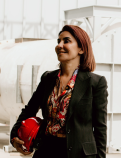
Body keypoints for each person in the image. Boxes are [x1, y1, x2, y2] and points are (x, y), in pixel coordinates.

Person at [10, 25, 108, 158]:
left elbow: (100, 128)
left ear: (81, 48)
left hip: (79, 154)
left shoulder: (95, 83)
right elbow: (29, 110)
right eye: (58, 41)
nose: (59, 45)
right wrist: (14, 136)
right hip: (46, 151)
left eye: (66, 41)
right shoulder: (48, 78)